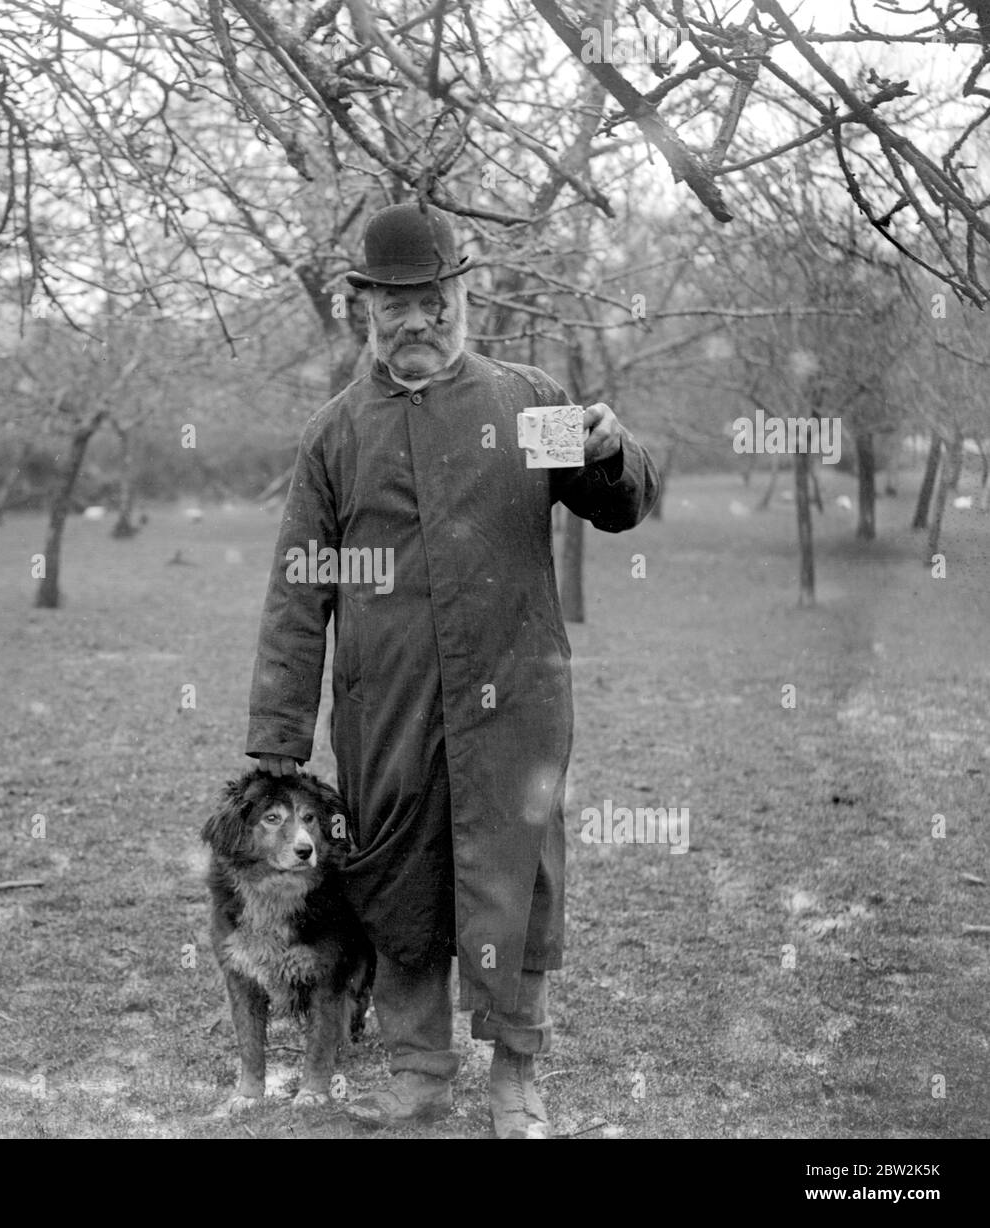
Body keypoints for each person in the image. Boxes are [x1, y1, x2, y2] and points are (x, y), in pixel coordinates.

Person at [245, 200, 659, 1138]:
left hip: (514, 702)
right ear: (365, 308)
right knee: (397, 886)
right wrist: (278, 737)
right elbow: (296, 593)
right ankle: (419, 1073)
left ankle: (517, 1080)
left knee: (524, 882)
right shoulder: (335, 437)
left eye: (435, 298)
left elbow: (617, 503)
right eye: (396, 304)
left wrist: (609, 455)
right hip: (385, 712)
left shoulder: (524, 404)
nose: (418, 320)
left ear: (464, 294)